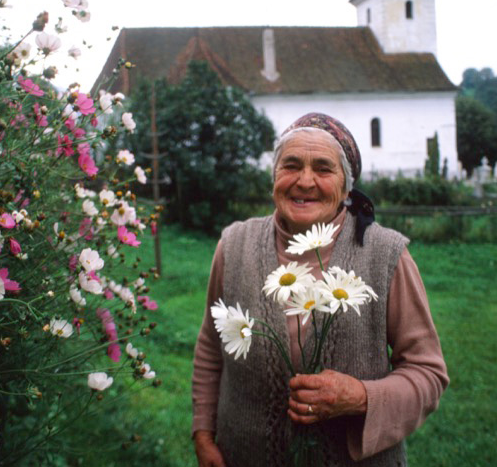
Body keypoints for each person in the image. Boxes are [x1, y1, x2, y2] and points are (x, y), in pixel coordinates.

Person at [192, 113, 448, 467]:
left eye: (324, 169)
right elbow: (211, 347)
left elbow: (428, 374)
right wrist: (203, 435)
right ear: (274, 177)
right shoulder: (234, 245)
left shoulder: (385, 254)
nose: (305, 181)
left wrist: (360, 397)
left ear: (347, 188)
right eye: (291, 165)